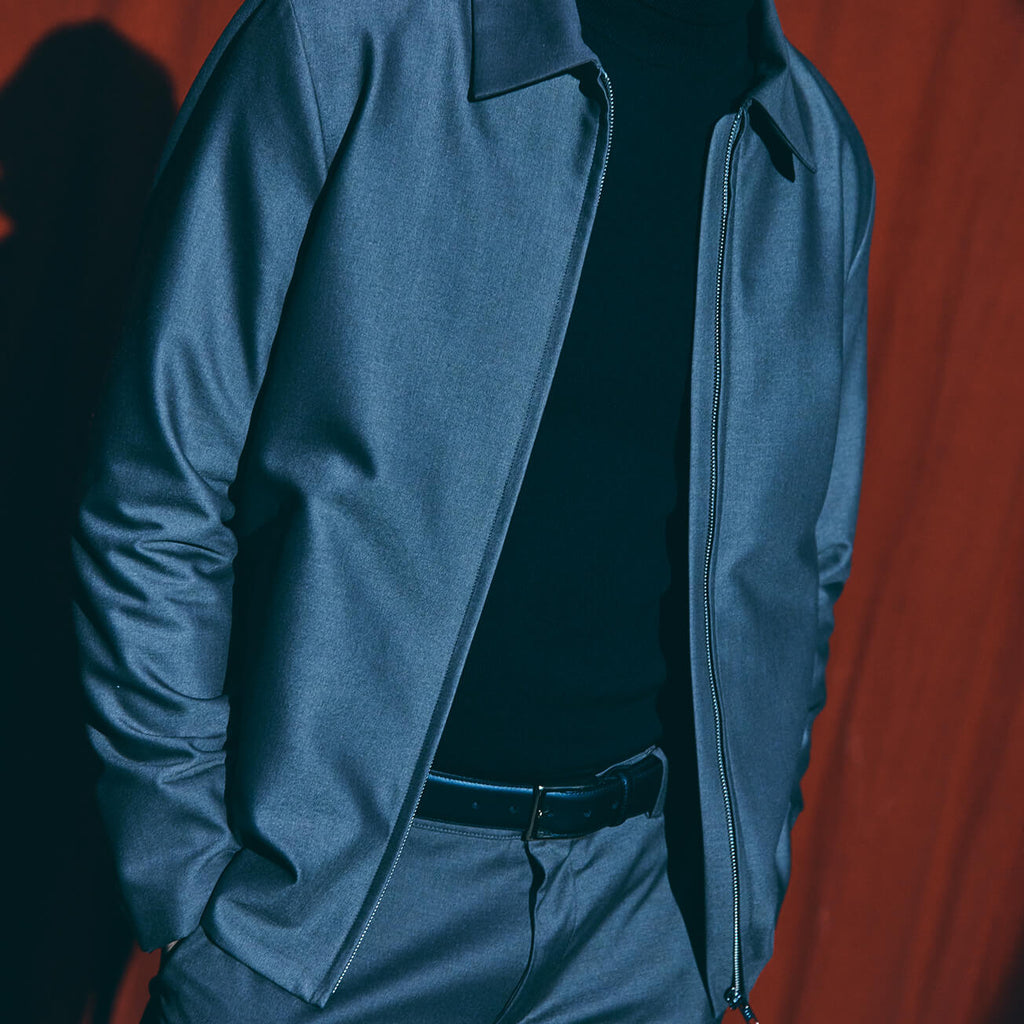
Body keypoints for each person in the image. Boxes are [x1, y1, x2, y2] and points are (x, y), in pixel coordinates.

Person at [71, 0, 875, 1020]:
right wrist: (196, 885)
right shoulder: (348, 36)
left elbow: (804, 567)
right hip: (324, 917)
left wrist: (724, 915)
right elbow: (159, 485)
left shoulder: (816, 157)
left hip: (639, 929)